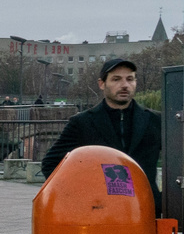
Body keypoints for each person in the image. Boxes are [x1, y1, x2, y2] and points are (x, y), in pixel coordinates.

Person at [41, 57, 163, 205]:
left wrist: (166, 198)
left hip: (147, 208)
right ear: (102, 84)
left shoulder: (155, 120)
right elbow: (51, 164)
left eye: (130, 79)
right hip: (101, 212)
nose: (125, 85)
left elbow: (177, 161)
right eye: (116, 79)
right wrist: (81, 196)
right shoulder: (82, 123)